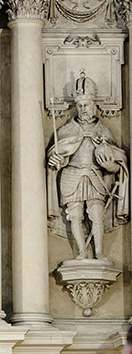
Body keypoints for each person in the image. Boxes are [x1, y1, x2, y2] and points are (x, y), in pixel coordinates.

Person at [47, 73, 128, 261]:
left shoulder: (103, 131)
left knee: (96, 213)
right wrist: (57, 161)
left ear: (94, 106)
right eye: (80, 105)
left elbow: (117, 164)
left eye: (87, 105)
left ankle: (99, 251)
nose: (83, 109)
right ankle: (82, 251)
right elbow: (57, 158)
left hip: (95, 177)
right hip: (72, 176)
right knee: (75, 214)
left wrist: (111, 164)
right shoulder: (66, 131)